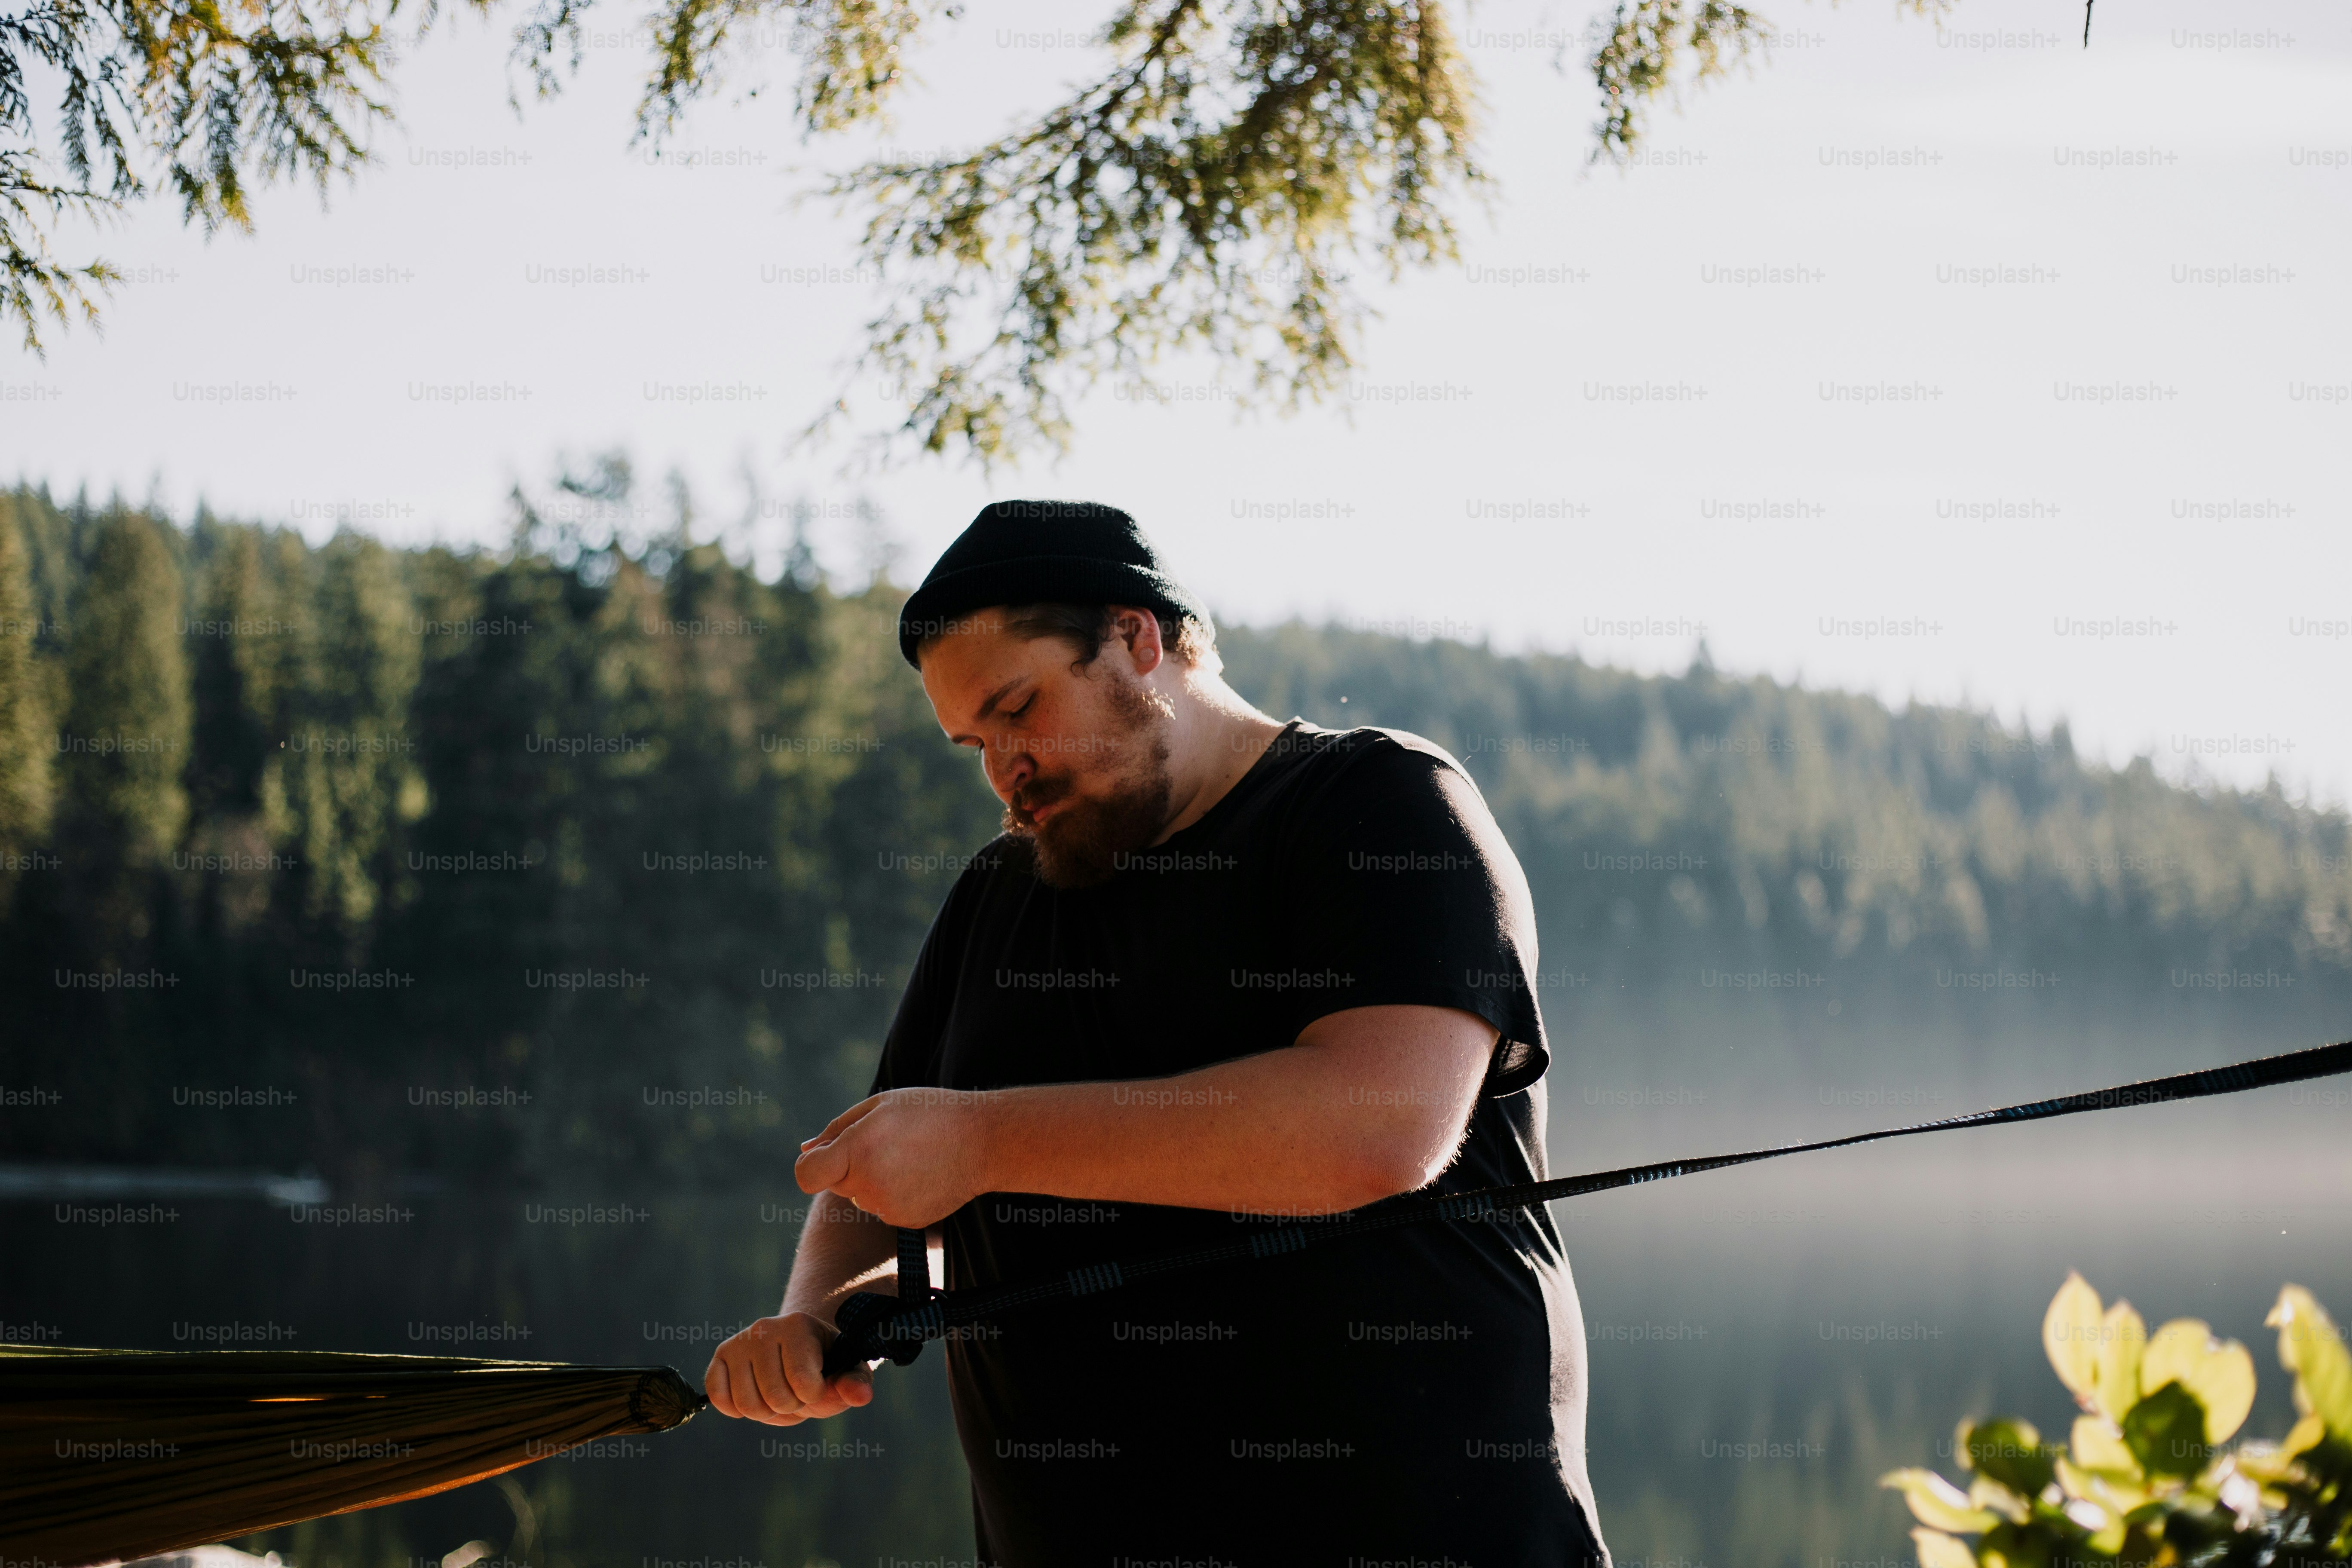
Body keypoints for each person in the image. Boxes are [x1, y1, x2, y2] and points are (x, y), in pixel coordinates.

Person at [706, 500, 1609, 1567]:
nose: (1005, 769)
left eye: (1019, 708)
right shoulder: (1000, 892)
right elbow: (883, 1164)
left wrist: (986, 1141)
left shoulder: (1380, 804)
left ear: (1138, 637)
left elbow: (1376, 1131)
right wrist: (812, 1319)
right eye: (975, 743)